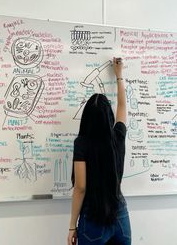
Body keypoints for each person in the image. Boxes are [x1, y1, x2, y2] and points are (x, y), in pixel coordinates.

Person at [67, 57, 131, 245]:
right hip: (120, 215)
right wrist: (119, 75)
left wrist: (72, 226)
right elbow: (122, 106)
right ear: (108, 117)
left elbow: (80, 188)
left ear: (86, 118)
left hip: (93, 217)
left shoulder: (82, 143)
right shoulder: (117, 137)